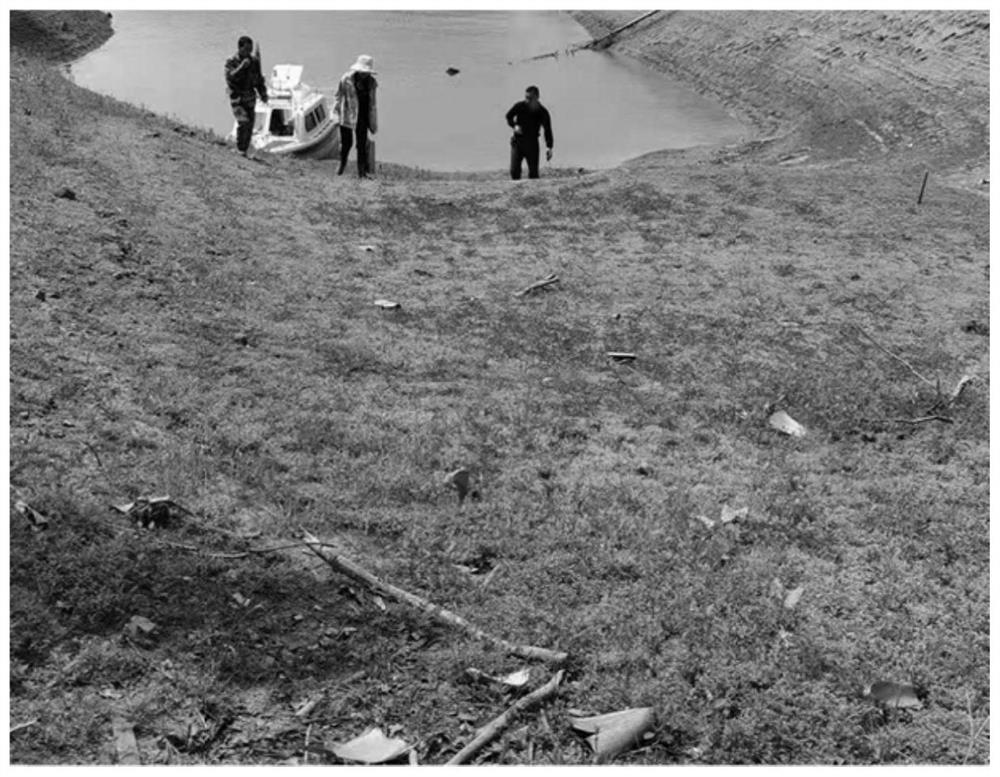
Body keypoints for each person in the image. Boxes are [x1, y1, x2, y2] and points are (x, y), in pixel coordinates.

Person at [334, 54, 378, 178]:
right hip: (347, 114)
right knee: (346, 143)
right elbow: (338, 96)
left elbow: (373, 104)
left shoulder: (372, 83)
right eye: (362, 72)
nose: (364, 74)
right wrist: (335, 115)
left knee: (362, 145)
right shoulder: (346, 79)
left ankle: (362, 172)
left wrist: (373, 122)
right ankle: (341, 166)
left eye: (366, 72)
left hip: (363, 116)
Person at [224, 35, 268, 157]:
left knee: (250, 126)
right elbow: (230, 78)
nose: (249, 53)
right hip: (237, 99)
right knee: (243, 122)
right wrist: (241, 67)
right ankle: (239, 149)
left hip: (250, 98)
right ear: (240, 48)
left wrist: (263, 94)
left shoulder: (254, 62)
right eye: (246, 49)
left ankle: (243, 151)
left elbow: (259, 80)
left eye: (250, 49)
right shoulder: (231, 61)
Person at [505, 85, 554, 180]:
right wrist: (514, 126)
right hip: (518, 142)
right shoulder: (520, 106)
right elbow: (508, 116)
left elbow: (547, 130)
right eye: (526, 98)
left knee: (533, 174)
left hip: (532, 144)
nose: (527, 100)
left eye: (530, 98)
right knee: (514, 171)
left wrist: (549, 147)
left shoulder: (542, 112)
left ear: (537, 97)